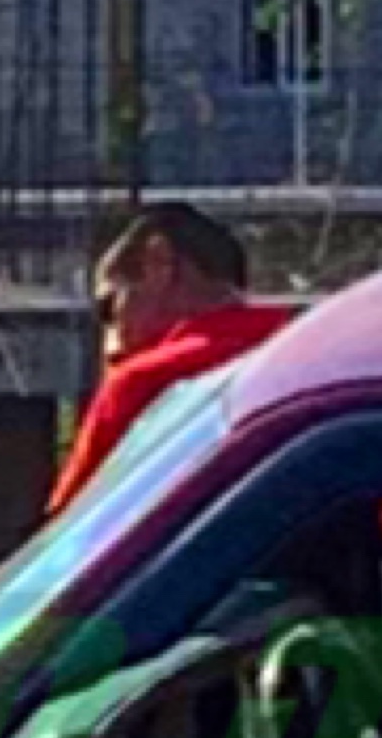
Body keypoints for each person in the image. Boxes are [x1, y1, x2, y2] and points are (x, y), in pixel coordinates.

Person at [45, 203, 295, 516]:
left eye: (109, 306)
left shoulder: (144, 382)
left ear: (159, 263)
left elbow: (72, 527)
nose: (110, 344)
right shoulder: (298, 358)